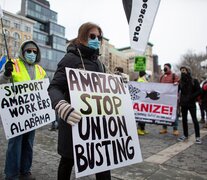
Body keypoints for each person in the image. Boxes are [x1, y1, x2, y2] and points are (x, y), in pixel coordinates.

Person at [47, 22, 111, 180]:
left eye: (99, 37)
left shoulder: (99, 63)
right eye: (92, 36)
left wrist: (117, 84)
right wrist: (62, 106)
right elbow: (54, 88)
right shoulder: (70, 59)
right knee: (67, 161)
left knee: (103, 164)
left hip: (97, 124)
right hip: (73, 122)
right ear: (82, 37)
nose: (96, 39)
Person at [0, 40, 46, 180]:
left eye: (34, 51)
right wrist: (7, 73)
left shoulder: (40, 69)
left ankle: (25, 171)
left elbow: (45, 89)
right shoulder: (13, 64)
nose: (32, 53)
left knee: (28, 143)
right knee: (15, 144)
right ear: (23, 51)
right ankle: (12, 175)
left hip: (32, 113)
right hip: (16, 114)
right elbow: (1, 82)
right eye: (29, 51)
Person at [177, 66, 202, 144]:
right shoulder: (180, 81)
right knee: (184, 120)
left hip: (191, 103)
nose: (182, 72)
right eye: (181, 70)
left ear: (188, 71)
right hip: (183, 103)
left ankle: (197, 137)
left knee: (195, 120)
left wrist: (191, 97)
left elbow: (199, 91)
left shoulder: (194, 81)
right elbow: (177, 90)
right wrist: (174, 85)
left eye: (184, 70)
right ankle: (185, 135)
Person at [159, 63, 180, 136]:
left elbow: (179, 84)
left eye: (166, 67)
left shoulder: (174, 76)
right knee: (164, 113)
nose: (165, 68)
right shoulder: (162, 77)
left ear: (169, 68)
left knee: (174, 113)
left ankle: (175, 128)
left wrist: (177, 83)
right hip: (164, 99)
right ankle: (164, 128)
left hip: (172, 99)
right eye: (164, 67)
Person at [137, 70, 149, 135]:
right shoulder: (140, 80)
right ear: (143, 75)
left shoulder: (144, 80)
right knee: (141, 116)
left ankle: (143, 129)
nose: (146, 76)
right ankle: (139, 129)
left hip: (144, 100)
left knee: (144, 116)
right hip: (141, 101)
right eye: (145, 75)